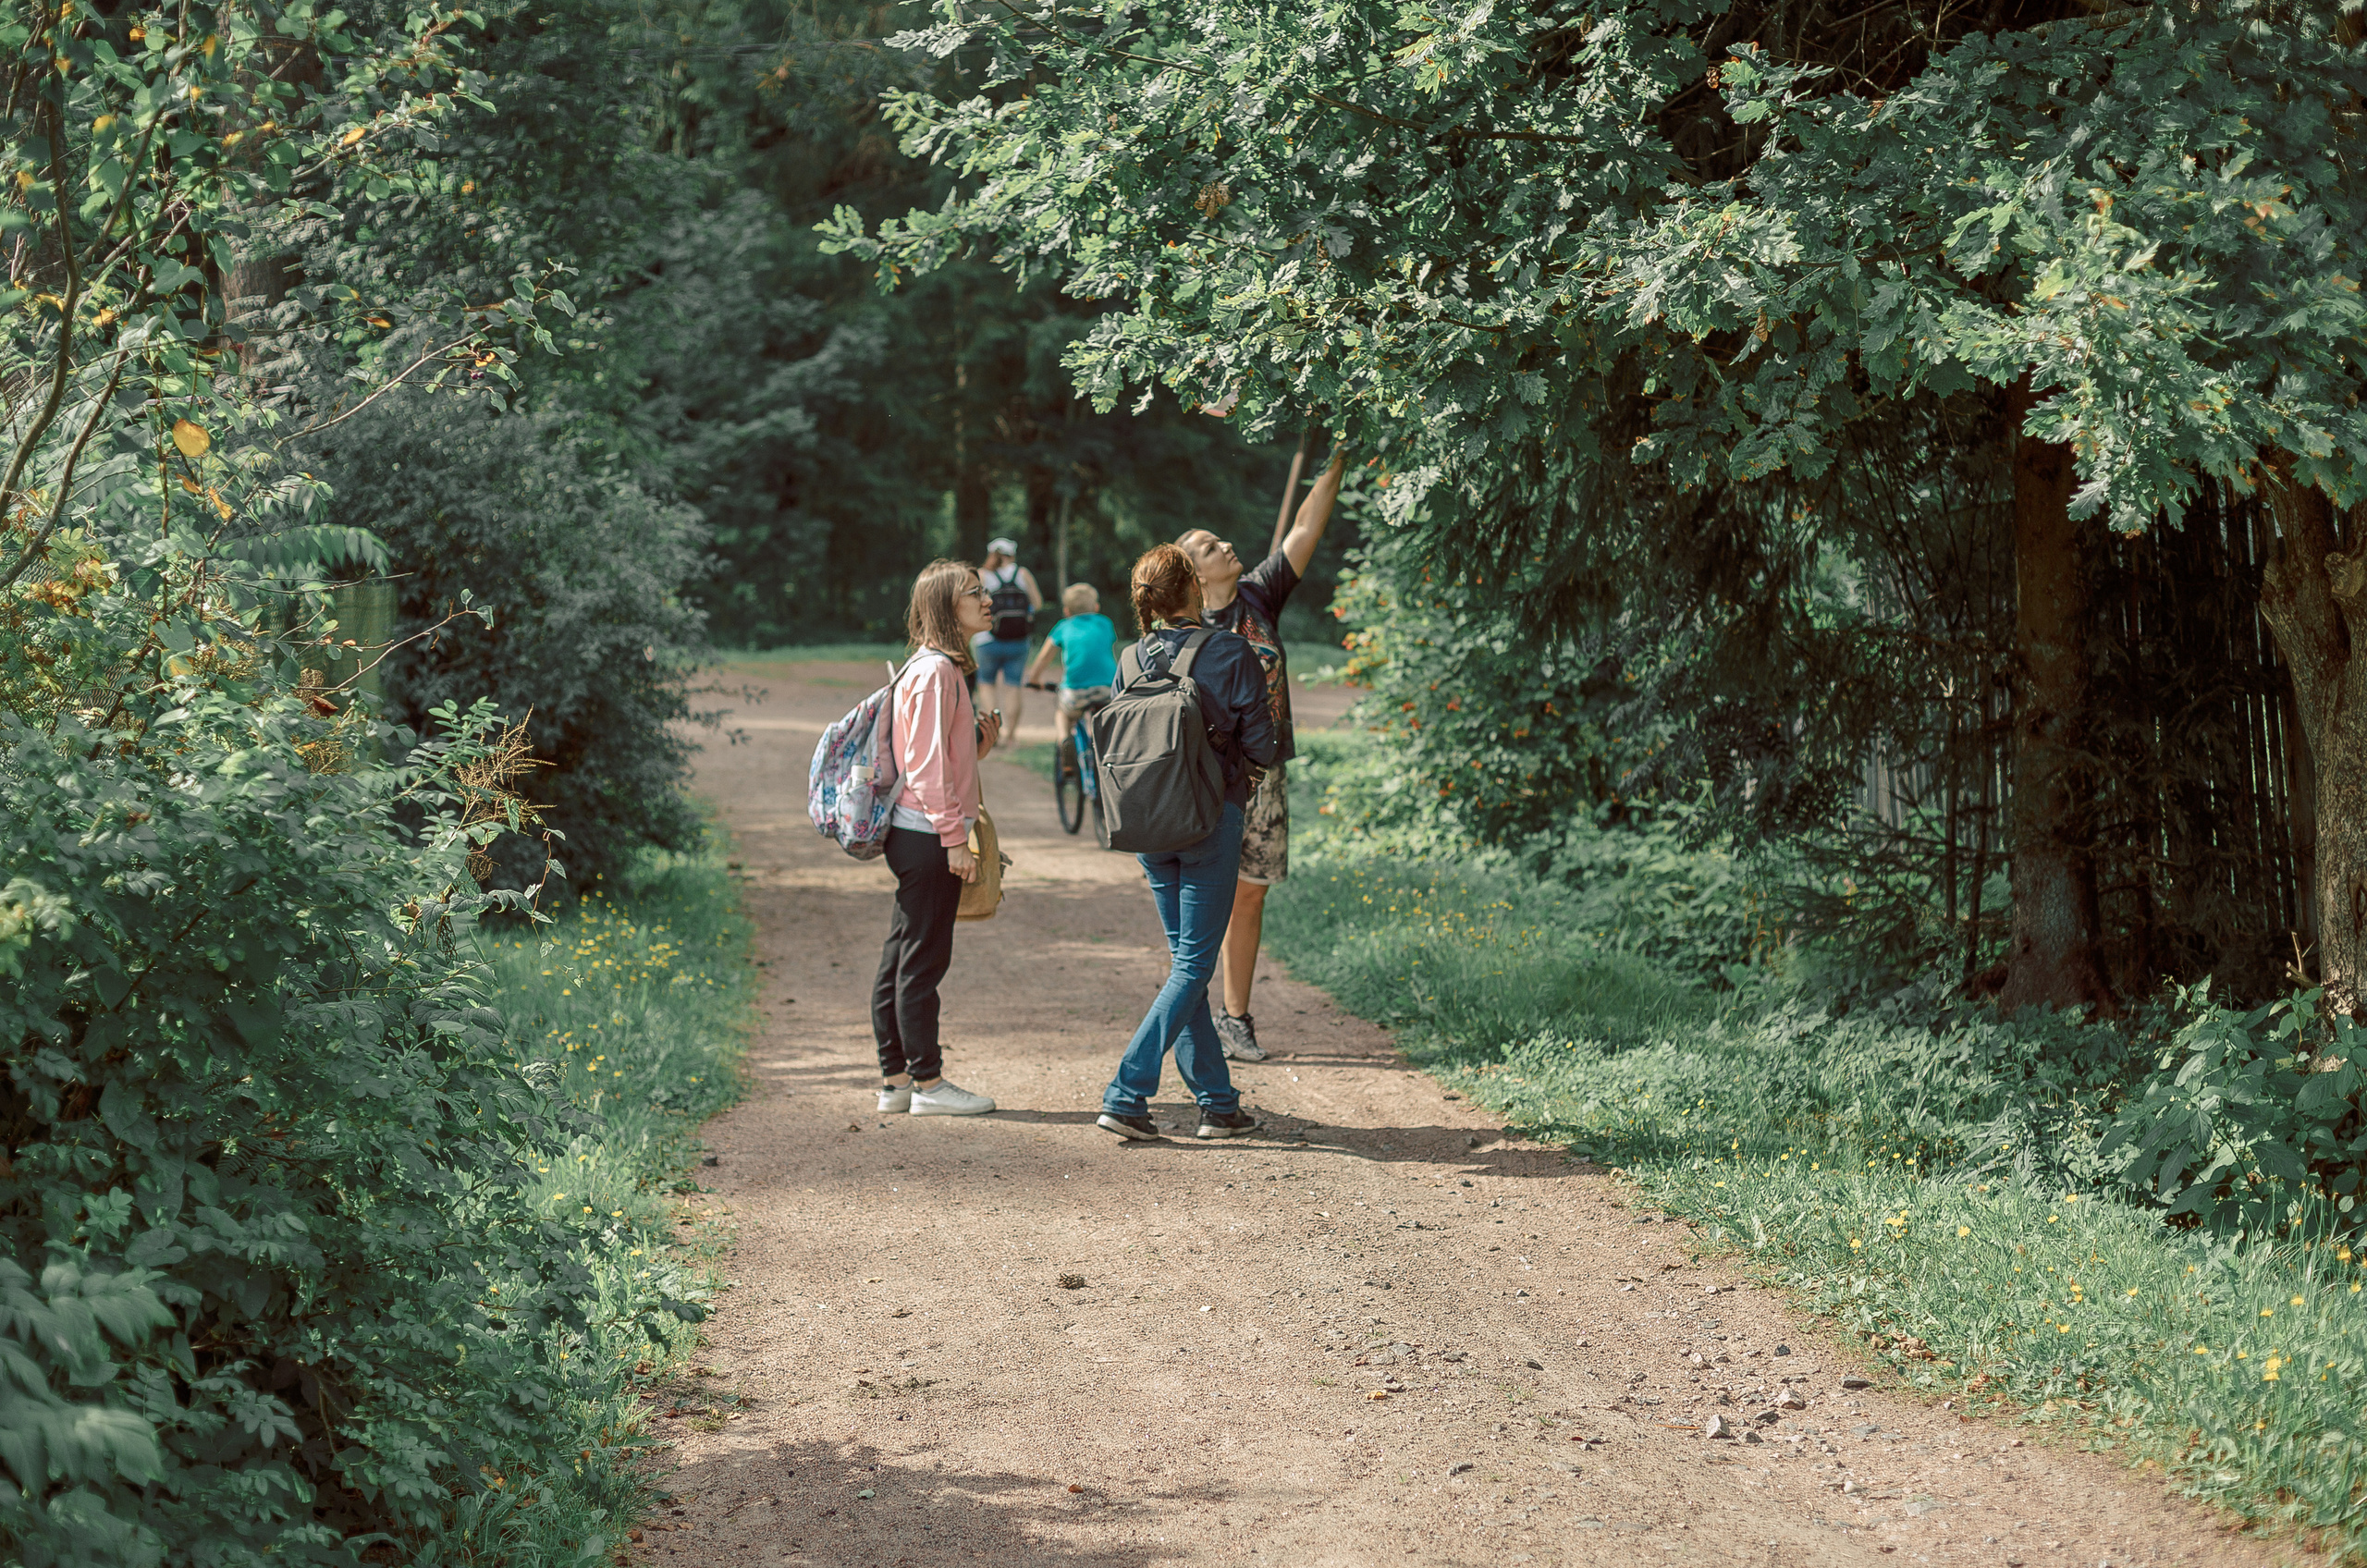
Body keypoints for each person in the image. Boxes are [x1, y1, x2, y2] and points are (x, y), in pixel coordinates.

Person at [1096, 545, 1279, 1143]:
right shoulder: (1230, 651)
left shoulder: (1129, 657)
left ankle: (1218, 1105)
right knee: (1196, 964)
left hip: (1148, 822)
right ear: (1194, 588)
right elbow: (1264, 745)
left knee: (1186, 963)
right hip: (1209, 819)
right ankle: (1126, 1094)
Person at [1174, 447, 1349, 1062]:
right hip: (1209, 782)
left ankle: (1235, 1018)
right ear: (1194, 575)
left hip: (1265, 775)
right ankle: (1187, 1016)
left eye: (1221, 540)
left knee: (1251, 893)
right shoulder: (1182, 627)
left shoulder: (1258, 596)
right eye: (1210, 546)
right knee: (1206, 900)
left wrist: (1339, 453)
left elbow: (1305, 526)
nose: (1226, 545)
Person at [872, 559, 1003, 1118]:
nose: (988, 600)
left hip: (919, 832)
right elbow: (924, 769)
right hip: (927, 837)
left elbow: (936, 758)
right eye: (975, 592)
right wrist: (954, 838)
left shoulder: (933, 668)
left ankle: (896, 1081)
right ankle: (928, 1082)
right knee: (922, 963)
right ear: (948, 606)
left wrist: (977, 748)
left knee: (902, 957)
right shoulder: (937, 672)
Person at [1022, 582, 1118, 734]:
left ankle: (1064, 740)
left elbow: (1044, 658)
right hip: (1108, 689)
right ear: (1096, 607)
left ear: (1066, 611)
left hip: (1075, 691)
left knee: (1062, 713)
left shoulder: (1063, 626)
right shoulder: (1105, 623)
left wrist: (1034, 679)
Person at [975, 537, 1042, 738]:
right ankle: (1010, 735)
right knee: (1013, 686)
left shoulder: (982, 575)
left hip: (987, 640)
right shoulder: (1022, 574)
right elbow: (1038, 603)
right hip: (1019, 641)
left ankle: (993, 732)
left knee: (986, 684)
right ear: (1012, 554)